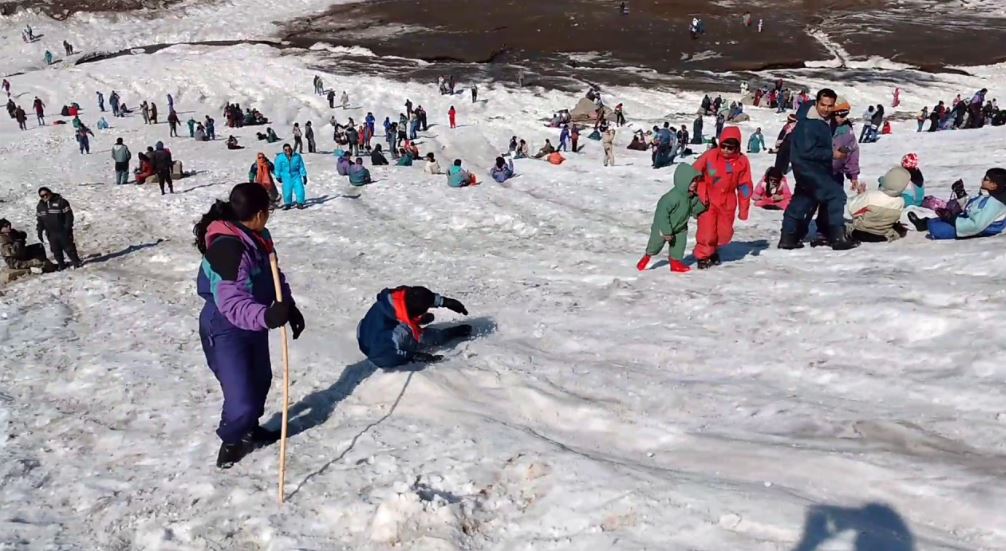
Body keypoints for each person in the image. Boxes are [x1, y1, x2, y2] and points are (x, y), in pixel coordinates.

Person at [194, 183, 304, 468]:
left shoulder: (257, 236)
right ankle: (232, 440)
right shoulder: (227, 247)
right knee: (240, 397)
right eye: (267, 211)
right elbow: (231, 303)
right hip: (225, 326)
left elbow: (272, 274)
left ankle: (249, 428)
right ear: (257, 213)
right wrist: (267, 317)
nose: (268, 216)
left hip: (252, 321)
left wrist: (288, 305)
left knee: (260, 381)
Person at [780, 88, 857, 250]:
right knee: (836, 195)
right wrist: (833, 154)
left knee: (802, 201)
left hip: (806, 169)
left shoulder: (816, 119)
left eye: (830, 106)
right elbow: (807, 151)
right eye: (823, 105)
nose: (826, 109)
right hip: (810, 168)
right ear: (816, 103)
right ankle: (838, 237)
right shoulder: (810, 123)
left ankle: (788, 238)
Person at [356, 285, 471, 368]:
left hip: (368, 329)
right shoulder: (386, 339)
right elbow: (382, 357)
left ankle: (415, 322)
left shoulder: (396, 296)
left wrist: (444, 302)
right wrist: (413, 356)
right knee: (419, 337)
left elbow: (419, 296)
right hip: (377, 348)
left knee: (406, 329)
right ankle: (444, 335)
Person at [691, 126, 752, 268]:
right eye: (723, 146)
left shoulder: (742, 162)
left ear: (737, 147)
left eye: (730, 148)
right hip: (708, 199)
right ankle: (703, 255)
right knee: (707, 231)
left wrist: (744, 209)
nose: (726, 150)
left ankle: (713, 250)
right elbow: (693, 171)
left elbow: (745, 186)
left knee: (723, 233)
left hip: (727, 201)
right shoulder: (710, 156)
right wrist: (693, 187)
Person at [636, 164, 707, 273]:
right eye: (692, 181)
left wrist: (704, 206)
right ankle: (647, 256)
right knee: (655, 244)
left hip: (680, 228)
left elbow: (695, 208)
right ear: (683, 181)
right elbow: (662, 215)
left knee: (679, 246)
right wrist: (666, 231)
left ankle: (675, 262)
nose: (694, 184)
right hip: (663, 228)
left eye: (696, 181)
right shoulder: (671, 198)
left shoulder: (691, 196)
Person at [908, 170, 1006, 239]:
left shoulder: (995, 203)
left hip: (984, 229)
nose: (982, 179)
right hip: (971, 223)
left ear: (993, 185)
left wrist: (953, 220)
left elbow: (976, 225)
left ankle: (928, 225)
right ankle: (924, 224)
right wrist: (961, 193)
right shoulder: (987, 195)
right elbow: (971, 208)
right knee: (936, 221)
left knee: (936, 228)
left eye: (986, 179)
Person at [846, 166, 909, 243]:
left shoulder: (870, 196)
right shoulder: (900, 202)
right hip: (882, 235)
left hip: (860, 232)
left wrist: (861, 195)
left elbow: (852, 210)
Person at [35, 187, 82, 270]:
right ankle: (61, 264)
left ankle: (76, 262)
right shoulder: (40, 206)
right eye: (42, 196)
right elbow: (40, 220)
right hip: (51, 232)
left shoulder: (61, 202)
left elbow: (69, 216)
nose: (45, 197)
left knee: (69, 248)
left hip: (62, 230)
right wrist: (39, 231)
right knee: (55, 250)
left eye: (46, 194)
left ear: (50, 192)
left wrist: (67, 227)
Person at [274, 144, 308, 209]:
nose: (288, 151)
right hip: (286, 176)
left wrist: (304, 175)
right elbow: (277, 168)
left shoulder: (297, 156)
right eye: (285, 150)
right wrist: (278, 176)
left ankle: (300, 203)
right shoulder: (280, 158)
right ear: (283, 150)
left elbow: (301, 166)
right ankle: (288, 203)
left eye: (289, 149)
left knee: (300, 189)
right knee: (287, 191)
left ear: (291, 149)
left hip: (296, 175)